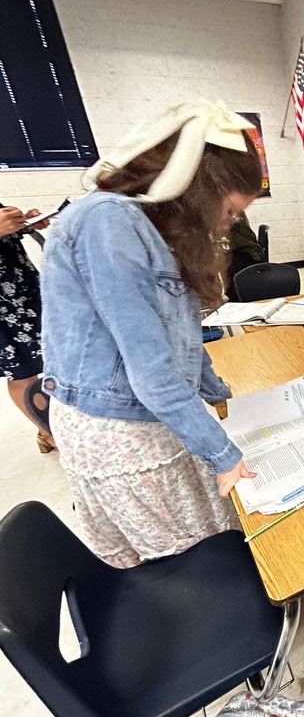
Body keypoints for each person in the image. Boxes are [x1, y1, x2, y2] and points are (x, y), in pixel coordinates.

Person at [40, 101, 262, 568]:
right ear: (198, 189)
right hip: (119, 428)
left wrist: (220, 395)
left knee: (206, 533)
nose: (230, 223)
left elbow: (179, 334)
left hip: (150, 414)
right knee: (185, 557)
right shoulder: (109, 222)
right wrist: (222, 452)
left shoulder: (155, 228)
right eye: (229, 211)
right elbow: (151, 370)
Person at [0, 202, 56, 453]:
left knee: (53, 356)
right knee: (22, 370)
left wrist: (23, 223)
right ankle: (49, 433)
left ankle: (55, 426)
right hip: (3, 303)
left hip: (20, 282)